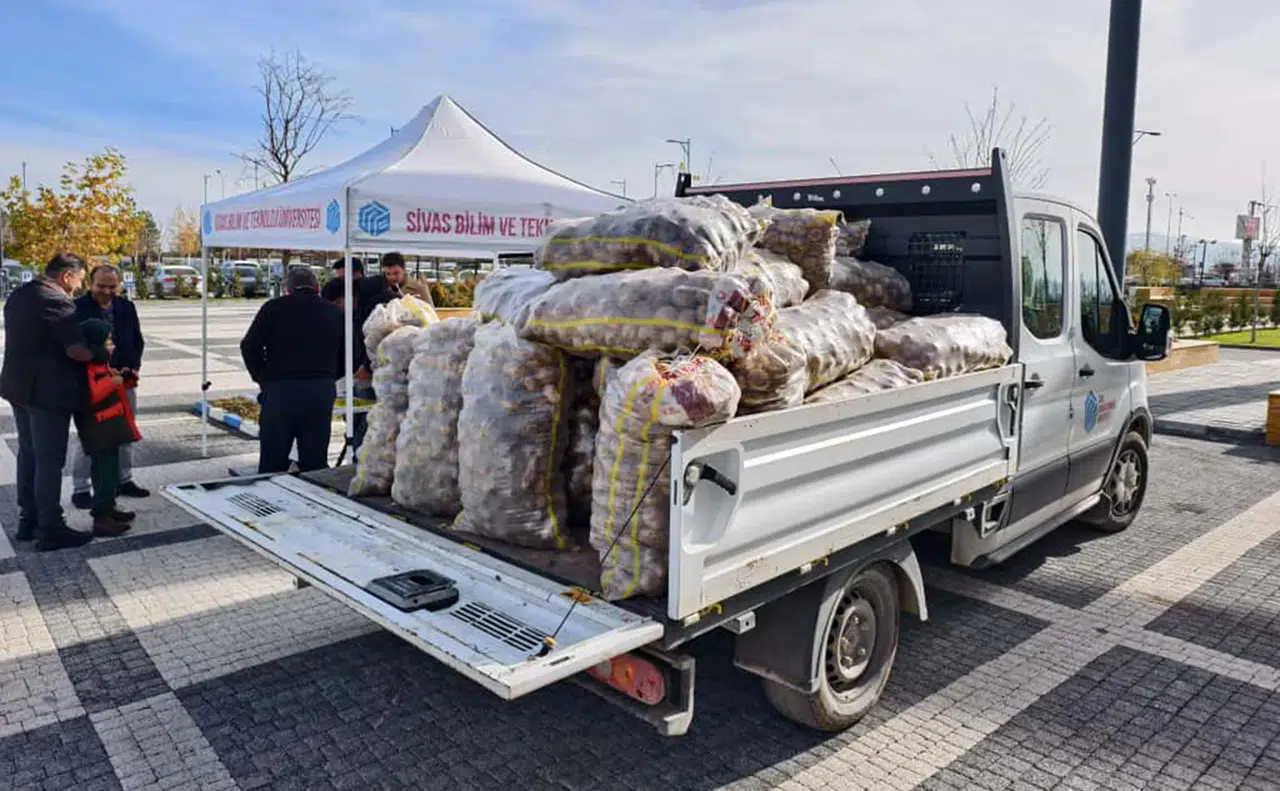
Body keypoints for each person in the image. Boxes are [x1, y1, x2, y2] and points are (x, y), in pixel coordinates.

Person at [0, 253, 95, 550]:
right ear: (67, 275)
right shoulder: (56, 300)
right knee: (49, 460)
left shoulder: (20, 294)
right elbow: (75, 350)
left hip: (18, 387)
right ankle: (51, 527)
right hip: (47, 393)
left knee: (28, 454)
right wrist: (102, 353)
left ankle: (29, 521)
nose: (79, 287)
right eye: (79, 279)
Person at [240, 265, 346, 474]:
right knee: (315, 463)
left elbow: (249, 346)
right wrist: (331, 375)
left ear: (287, 289)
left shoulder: (273, 308)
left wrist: (262, 376)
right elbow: (352, 350)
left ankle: (270, 504)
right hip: (320, 391)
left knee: (273, 461)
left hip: (280, 390)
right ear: (317, 289)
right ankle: (315, 503)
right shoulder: (334, 312)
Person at [70, 265, 149, 510]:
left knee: (124, 433)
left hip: (123, 381)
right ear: (90, 284)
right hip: (92, 383)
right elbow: (74, 347)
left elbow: (137, 340)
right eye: (101, 286)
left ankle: (123, 479)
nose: (106, 291)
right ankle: (81, 487)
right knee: (89, 437)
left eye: (112, 286)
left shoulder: (126, 307)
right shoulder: (76, 308)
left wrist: (133, 366)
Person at [74, 318, 139, 537]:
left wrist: (125, 379)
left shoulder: (102, 364)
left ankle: (109, 507)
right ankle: (101, 517)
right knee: (102, 472)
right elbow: (89, 396)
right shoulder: (85, 367)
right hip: (98, 429)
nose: (111, 344)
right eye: (107, 340)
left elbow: (112, 386)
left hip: (109, 427)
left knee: (110, 471)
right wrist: (112, 383)